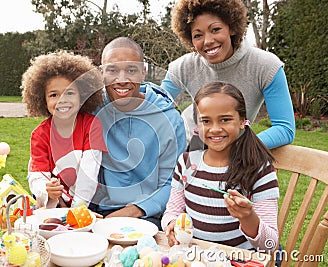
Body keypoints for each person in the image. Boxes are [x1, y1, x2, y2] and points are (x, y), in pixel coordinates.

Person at [162, 81, 279, 253]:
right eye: (206, 121)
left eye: (225, 119)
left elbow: (270, 245)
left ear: (242, 121)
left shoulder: (259, 169)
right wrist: (172, 224)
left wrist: (248, 218)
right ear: (196, 125)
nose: (215, 129)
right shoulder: (186, 162)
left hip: (238, 260)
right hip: (195, 257)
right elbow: (171, 211)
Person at [161, 0, 295, 150]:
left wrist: (240, 149)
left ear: (231, 27)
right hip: (183, 151)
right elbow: (154, 108)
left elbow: (285, 128)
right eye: (198, 35)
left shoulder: (266, 66)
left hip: (229, 155)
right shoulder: (184, 66)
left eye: (216, 29)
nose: (208, 41)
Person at [90, 37, 186, 229]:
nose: (122, 79)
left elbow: (173, 184)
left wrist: (128, 213)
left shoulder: (170, 120)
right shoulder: (92, 108)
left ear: (143, 73)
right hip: (95, 209)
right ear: (101, 73)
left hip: (146, 215)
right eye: (112, 70)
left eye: (131, 70)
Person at [21, 50, 107, 209]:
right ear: (42, 99)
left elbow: (89, 173)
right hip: (54, 206)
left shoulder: (91, 125)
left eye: (69, 93)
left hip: (87, 205)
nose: (62, 100)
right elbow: (36, 175)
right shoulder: (40, 135)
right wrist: (46, 189)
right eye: (54, 95)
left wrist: (77, 211)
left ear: (82, 95)